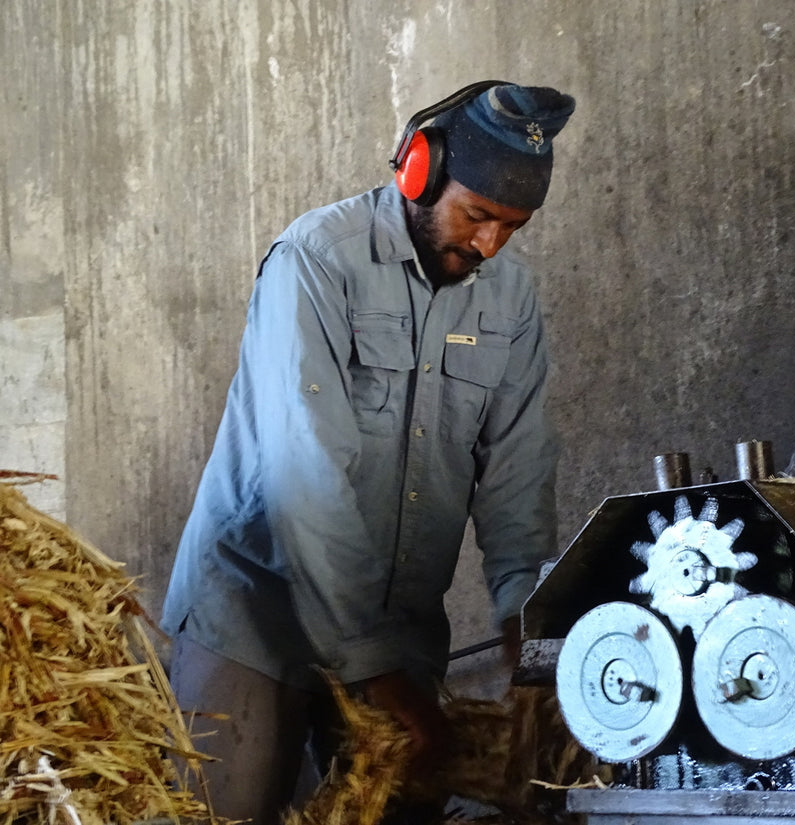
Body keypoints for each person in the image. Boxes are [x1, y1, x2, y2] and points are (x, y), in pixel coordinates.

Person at [161, 82, 575, 824]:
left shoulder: (509, 300)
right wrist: (376, 669)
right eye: (477, 215)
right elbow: (307, 473)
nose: (489, 245)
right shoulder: (316, 261)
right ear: (418, 169)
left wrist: (526, 622)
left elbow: (519, 470)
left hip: (398, 625)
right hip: (256, 618)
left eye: (513, 227)